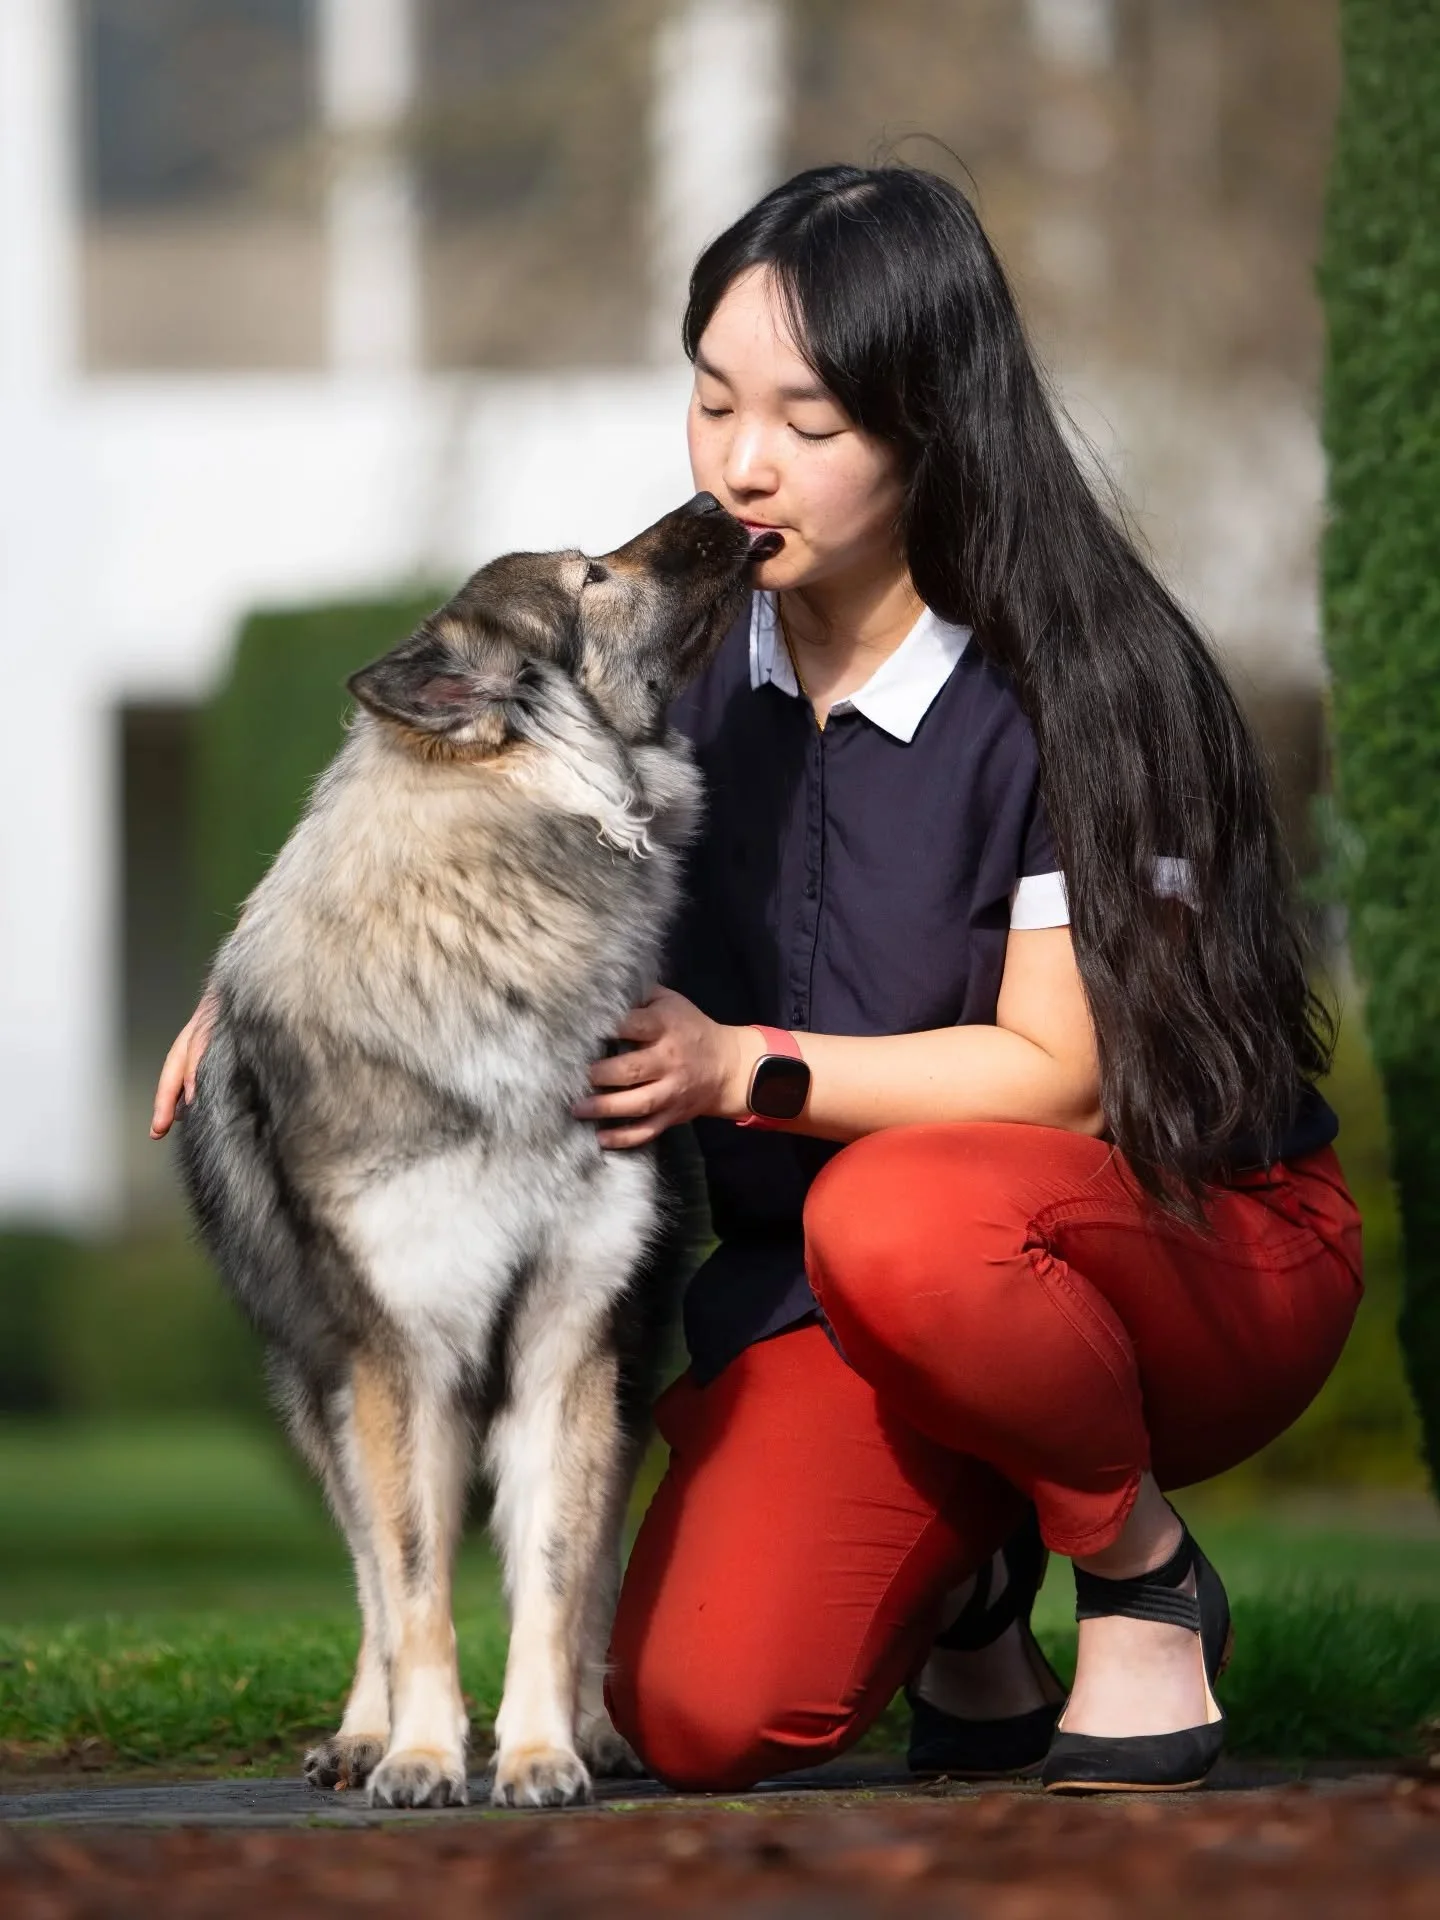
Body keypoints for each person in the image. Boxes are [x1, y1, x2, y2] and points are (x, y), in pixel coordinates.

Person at [153, 164, 1363, 1797]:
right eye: (714, 399)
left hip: (1185, 1251)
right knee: (702, 1713)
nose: (740, 462)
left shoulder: (1091, 682)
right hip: (854, 1303)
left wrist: (742, 1070)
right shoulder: (677, 684)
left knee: (902, 1217)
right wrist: (292, 995)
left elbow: (1061, 1074)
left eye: (807, 419)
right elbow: (466, 816)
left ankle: (1139, 1572)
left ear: (928, 422)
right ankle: (976, 1581)